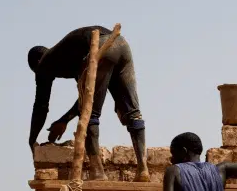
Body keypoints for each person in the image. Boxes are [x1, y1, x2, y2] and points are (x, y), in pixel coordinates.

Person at [27, 26, 150, 182]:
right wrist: (64, 120)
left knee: (90, 113)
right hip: (121, 44)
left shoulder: (44, 63)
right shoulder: (70, 56)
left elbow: (40, 107)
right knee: (133, 113)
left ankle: (97, 171)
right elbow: (86, 94)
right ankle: (143, 169)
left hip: (100, 45)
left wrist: (32, 139)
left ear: (36, 63)